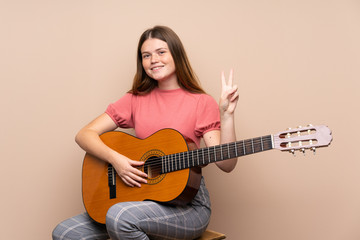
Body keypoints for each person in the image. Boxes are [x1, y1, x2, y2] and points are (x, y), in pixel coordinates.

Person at [52, 25, 239, 240]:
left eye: (161, 52)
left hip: (187, 205)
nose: (153, 60)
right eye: (146, 55)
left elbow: (226, 164)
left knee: (120, 216)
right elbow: (84, 134)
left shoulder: (201, 102)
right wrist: (117, 161)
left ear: (176, 55)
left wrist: (226, 116)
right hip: (139, 199)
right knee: (65, 233)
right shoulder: (134, 99)